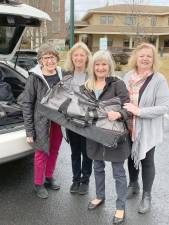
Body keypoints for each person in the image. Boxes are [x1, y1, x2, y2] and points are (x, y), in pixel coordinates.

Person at [82, 50, 131, 224]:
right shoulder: (86, 86)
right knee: (97, 166)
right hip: (94, 135)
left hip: (114, 135)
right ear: (92, 66)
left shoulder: (117, 84)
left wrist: (119, 114)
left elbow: (128, 108)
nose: (100, 68)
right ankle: (100, 195)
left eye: (104, 64)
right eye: (97, 64)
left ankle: (120, 206)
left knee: (118, 172)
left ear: (109, 66)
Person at [123, 42, 169, 214]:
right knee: (131, 156)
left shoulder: (159, 79)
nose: (145, 59)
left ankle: (146, 196)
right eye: (142, 55)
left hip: (148, 128)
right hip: (128, 126)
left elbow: (164, 107)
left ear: (153, 59)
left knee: (147, 161)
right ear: (136, 57)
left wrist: (140, 111)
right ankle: (133, 184)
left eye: (149, 56)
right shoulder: (127, 76)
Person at [19, 43, 65, 199]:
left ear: (57, 58)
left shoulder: (62, 74)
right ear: (40, 61)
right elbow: (27, 103)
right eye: (46, 58)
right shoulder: (34, 77)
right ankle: (39, 183)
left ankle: (48, 177)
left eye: (52, 57)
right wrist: (29, 131)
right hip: (41, 123)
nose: (49, 61)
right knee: (41, 153)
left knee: (54, 150)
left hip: (58, 122)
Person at [64, 42, 93, 195]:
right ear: (72, 57)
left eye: (82, 55)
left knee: (87, 152)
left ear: (87, 57)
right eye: (76, 55)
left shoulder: (92, 75)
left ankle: (85, 180)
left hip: (88, 122)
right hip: (71, 121)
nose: (79, 58)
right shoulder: (66, 75)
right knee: (75, 151)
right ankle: (76, 179)